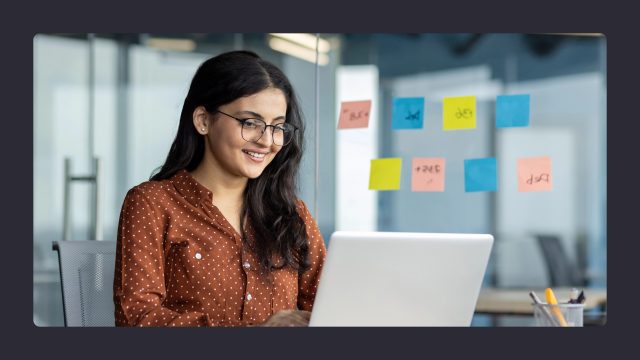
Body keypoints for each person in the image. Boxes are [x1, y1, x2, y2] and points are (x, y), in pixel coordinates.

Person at [113, 50, 326, 327]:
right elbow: (137, 319)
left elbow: (327, 305)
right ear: (203, 120)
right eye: (250, 123)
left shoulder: (292, 213)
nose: (267, 141)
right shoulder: (152, 204)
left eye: (277, 127)